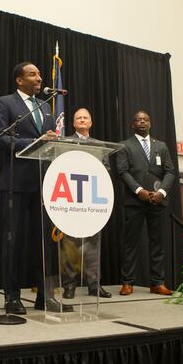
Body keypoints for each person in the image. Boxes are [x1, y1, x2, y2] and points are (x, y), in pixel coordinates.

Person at [0, 61, 72, 314]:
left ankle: (45, 297)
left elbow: (48, 142)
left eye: (38, 74)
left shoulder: (45, 106)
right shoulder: (6, 103)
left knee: (45, 244)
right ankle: (12, 298)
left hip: (43, 184)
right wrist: (34, 141)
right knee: (12, 242)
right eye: (32, 74)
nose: (38, 78)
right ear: (19, 80)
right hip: (15, 183)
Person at [116, 110, 175, 296]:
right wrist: (139, 190)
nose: (142, 122)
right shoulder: (124, 146)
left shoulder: (162, 146)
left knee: (158, 243)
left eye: (145, 120)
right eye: (138, 120)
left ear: (150, 124)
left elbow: (170, 172)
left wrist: (162, 192)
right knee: (130, 243)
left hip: (157, 201)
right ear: (132, 125)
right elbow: (122, 171)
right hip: (135, 201)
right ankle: (127, 282)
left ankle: (157, 283)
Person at [61, 108, 112, 299]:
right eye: (78, 118)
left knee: (93, 245)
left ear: (90, 122)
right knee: (70, 245)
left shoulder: (100, 145)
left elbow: (106, 169)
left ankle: (94, 285)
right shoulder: (65, 142)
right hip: (71, 199)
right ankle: (70, 286)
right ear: (73, 123)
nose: (82, 120)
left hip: (93, 200)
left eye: (85, 117)